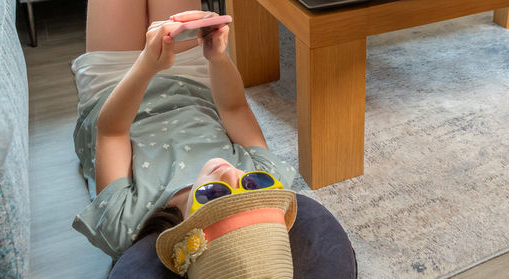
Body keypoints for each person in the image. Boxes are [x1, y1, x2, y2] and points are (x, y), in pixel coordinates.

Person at [70, 0, 356, 277]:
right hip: (188, 79)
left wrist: (146, 66)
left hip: (115, 86)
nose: (231, 173)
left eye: (216, 196)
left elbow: (112, 132)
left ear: (187, 234)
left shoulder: (127, 222)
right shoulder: (263, 174)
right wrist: (217, 56)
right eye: (248, 187)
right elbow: (234, 108)